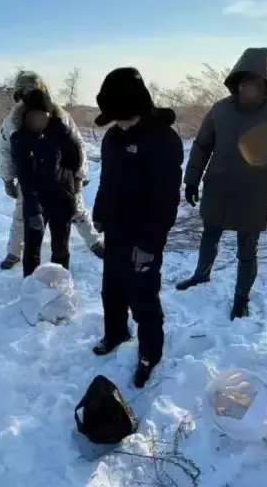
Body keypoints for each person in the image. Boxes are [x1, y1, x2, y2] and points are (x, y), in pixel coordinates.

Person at [176, 47, 267, 320]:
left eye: (256, 82)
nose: (249, 87)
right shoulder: (220, 110)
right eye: (245, 81)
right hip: (218, 187)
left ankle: (241, 299)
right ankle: (201, 275)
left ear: (266, 84)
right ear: (236, 81)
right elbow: (202, 146)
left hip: (254, 194)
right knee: (209, 235)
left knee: (247, 250)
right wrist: (192, 180)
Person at [90, 67, 184, 389]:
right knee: (112, 289)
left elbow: (165, 201)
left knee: (143, 297)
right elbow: (106, 181)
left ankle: (149, 353)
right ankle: (115, 332)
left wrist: (148, 244)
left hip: (143, 236)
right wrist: (100, 212)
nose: (118, 123)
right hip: (115, 230)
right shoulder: (113, 138)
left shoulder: (163, 141)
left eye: (122, 117)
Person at [0, 70, 103, 270]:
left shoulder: (58, 114)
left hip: (61, 179)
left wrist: (79, 175)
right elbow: (4, 150)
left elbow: (77, 146)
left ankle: (94, 241)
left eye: (31, 90)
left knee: (76, 210)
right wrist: (8, 178)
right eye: (23, 92)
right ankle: (14, 251)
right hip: (30, 181)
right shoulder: (13, 120)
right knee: (22, 215)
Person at [11, 88, 85, 277]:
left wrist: (64, 179)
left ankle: (59, 285)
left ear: (49, 115)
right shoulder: (20, 139)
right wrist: (34, 210)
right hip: (36, 200)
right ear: (26, 116)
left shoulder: (63, 133)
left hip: (62, 198)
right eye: (33, 116)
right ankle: (31, 285)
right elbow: (25, 177)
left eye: (42, 116)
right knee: (32, 248)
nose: (37, 121)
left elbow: (75, 160)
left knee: (60, 248)